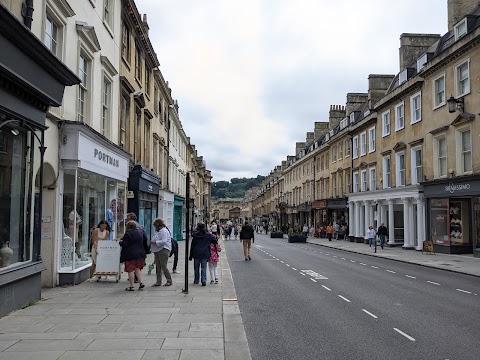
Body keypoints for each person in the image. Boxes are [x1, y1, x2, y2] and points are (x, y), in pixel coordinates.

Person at [119, 220, 147, 291]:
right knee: (137, 269)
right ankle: (141, 283)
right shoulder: (140, 232)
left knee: (130, 270)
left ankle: (132, 286)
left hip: (130, 254)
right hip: (140, 254)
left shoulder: (128, 234)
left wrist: (120, 242)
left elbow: (124, 244)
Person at [151, 218, 173, 287]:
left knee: (163, 266)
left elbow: (164, 241)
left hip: (163, 250)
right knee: (158, 266)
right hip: (157, 250)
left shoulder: (163, 231)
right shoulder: (158, 231)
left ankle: (169, 280)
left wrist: (155, 242)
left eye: (155, 225)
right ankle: (158, 281)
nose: (155, 227)